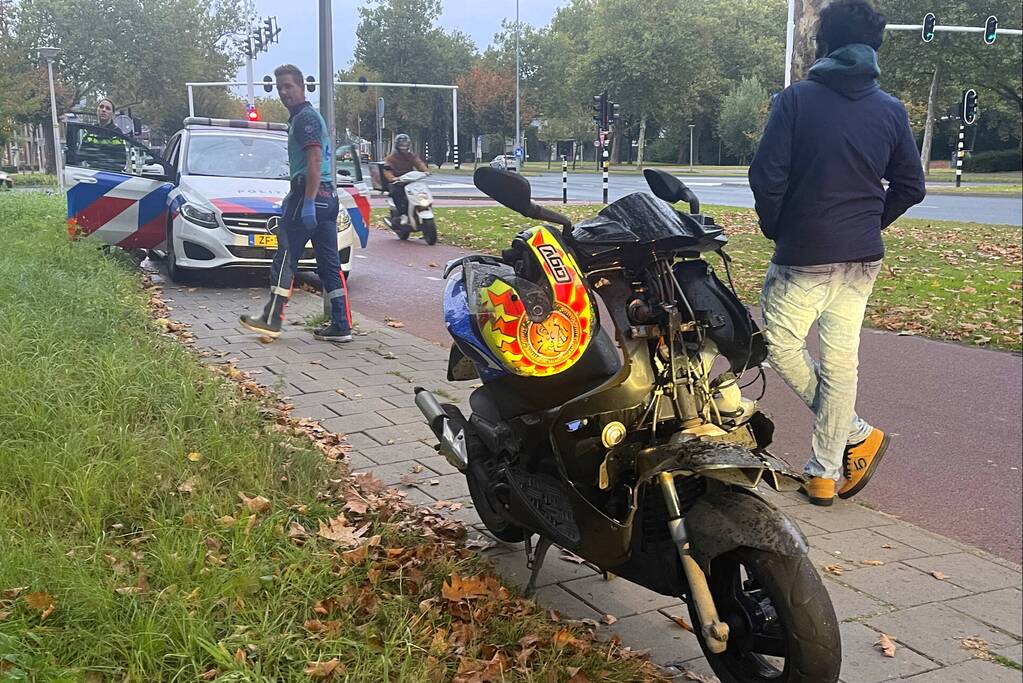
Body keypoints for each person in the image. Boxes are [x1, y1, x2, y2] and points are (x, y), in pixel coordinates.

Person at [748, 0, 925, 507]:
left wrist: (778, 227)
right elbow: (911, 186)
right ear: (872, 48)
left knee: (780, 347)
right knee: (842, 364)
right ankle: (824, 472)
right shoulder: (890, 110)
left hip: (804, 255)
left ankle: (855, 434)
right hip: (862, 257)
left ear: (824, 44)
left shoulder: (796, 101)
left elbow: (766, 176)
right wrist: (872, 221)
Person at [239, 64, 353, 343]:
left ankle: (271, 319)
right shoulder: (308, 118)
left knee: (286, 259)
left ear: (302, 87)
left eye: (289, 86)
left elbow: (314, 160)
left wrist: (308, 202)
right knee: (329, 265)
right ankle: (341, 325)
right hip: (329, 197)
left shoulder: (305, 119)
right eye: (279, 87)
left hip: (308, 195)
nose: (283, 92)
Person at [383, 133, 428, 224]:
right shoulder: (391, 158)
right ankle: (403, 214)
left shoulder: (411, 155)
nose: (403, 147)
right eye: (401, 145)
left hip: (410, 180)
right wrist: (393, 178)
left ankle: (421, 210)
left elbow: (418, 163)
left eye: (405, 145)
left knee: (421, 190)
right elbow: (387, 170)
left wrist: (425, 171)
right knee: (397, 193)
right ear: (397, 145)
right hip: (397, 182)